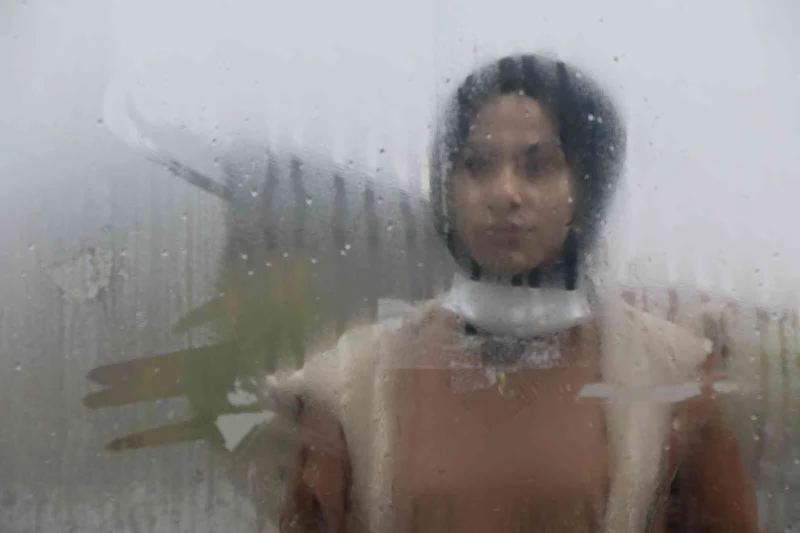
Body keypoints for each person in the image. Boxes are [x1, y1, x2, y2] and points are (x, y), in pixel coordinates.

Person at [267, 54, 761, 533]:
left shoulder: (671, 378)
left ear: (586, 188)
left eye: (538, 166)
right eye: (478, 164)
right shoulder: (352, 386)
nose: (505, 192)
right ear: (448, 186)